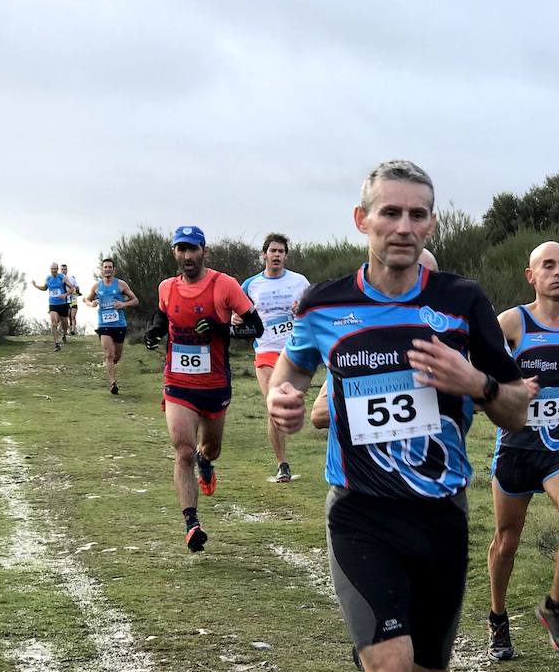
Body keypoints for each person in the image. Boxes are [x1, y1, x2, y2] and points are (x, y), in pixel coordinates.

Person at [267, 160, 528, 672]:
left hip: (440, 518)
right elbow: (289, 377)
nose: (405, 228)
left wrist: (474, 379)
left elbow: (519, 411)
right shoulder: (325, 304)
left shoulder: (463, 303)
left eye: (419, 216)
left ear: (432, 225)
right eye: (391, 214)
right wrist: (281, 397)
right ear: (362, 220)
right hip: (363, 518)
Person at [485, 241, 559, 660]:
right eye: (548, 266)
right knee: (506, 542)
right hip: (516, 445)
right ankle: (498, 617)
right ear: (531, 276)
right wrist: (511, 391)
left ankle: (554, 607)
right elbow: (486, 375)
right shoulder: (510, 323)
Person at [143, 226, 263, 553]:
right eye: (181, 250)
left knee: (210, 449)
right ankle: (191, 523)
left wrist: (221, 329)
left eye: (192, 249)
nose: (187, 256)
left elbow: (256, 327)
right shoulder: (167, 287)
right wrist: (154, 330)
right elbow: (162, 312)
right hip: (178, 384)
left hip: (214, 386)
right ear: (174, 254)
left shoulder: (225, 286)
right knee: (181, 451)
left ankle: (205, 461)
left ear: (204, 252)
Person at [309, 248, 438, 432]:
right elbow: (319, 413)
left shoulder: (445, 337)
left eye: (429, 278)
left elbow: (481, 396)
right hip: (354, 460)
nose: (418, 287)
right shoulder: (358, 342)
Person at [241, 233, 310, 482]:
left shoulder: (299, 281)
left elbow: (313, 311)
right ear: (264, 254)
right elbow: (236, 312)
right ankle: (282, 463)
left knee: (289, 405)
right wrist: (236, 319)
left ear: (286, 256)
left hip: (294, 351)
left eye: (281, 251)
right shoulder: (250, 285)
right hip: (266, 351)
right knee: (274, 406)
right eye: (273, 251)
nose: (277, 255)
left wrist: (300, 310)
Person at [82, 258, 138, 394]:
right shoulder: (97, 286)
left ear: (114, 270)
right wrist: (91, 304)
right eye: (105, 267)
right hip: (104, 324)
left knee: (116, 356)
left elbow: (135, 300)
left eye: (109, 267)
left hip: (119, 324)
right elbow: (86, 299)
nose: (107, 269)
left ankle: (110, 363)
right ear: (102, 270)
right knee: (109, 354)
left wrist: (123, 304)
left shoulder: (121, 284)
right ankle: (113, 383)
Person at [30, 263, 71, 350]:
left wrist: (65, 295)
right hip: (53, 304)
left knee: (64, 323)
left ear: (57, 269)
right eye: (52, 269)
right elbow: (45, 288)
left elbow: (72, 288)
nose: (54, 270)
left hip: (63, 303)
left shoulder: (62, 277)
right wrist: (36, 285)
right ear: (50, 269)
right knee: (54, 323)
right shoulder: (48, 278)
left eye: (55, 269)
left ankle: (64, 334)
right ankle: (56, 344)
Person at [62, 263, 82, 336]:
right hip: (64, 301)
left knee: (73, 317)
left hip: (73, 302)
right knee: (65, 317)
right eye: (62, 269)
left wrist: (77, 292)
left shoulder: (71, 279)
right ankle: (66, 331)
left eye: (65, 269)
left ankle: (73, 330)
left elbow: (77, 288)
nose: (64, 271)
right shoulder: (58, 279)